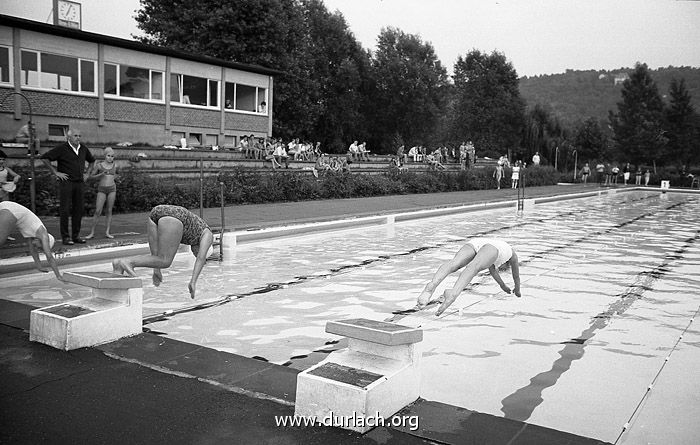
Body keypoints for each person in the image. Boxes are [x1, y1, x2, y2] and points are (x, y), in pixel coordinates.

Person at [112, 205, 214, 299]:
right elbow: (201, 259)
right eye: (196, 252)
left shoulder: (195, 234)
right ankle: (128, 262)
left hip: (157, 212)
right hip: (174, 217)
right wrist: (193, 281)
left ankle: (117, 267)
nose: (195, 253)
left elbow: (155, 256)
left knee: (158, 257)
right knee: (165, 261)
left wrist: (157, 270)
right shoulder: (208, 234)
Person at [416, 238, 521, 316]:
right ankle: (452, 294)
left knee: (454, 263)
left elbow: (493, 271)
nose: (501, 269)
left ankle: (430, 287)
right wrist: (517, 289)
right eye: (503, 268)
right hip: (492, 248)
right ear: (507, 264)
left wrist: (503, 286)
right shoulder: (512, 256)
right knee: (473, 267)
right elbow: (516, 276)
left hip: (476, 242)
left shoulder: (496, 257)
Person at [40, 128, 95, 245]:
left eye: (80, 135)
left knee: (78, 209)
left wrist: (88, 173)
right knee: (65, 209)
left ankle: (76, 236)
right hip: (67, 182)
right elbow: (45, 158)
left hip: (79, 182)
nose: (78, 138)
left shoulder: (83, 148)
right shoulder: (62, 148)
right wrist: (55, 172)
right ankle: (65, 237)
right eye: (75, 135)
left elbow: (91, 161)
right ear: (68, 137)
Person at [0, 201, 63, 280]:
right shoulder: (43, 234)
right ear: (43, 243)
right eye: (40, 248)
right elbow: (49, 257)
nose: (37, 248)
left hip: (8, 207)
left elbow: (33, 251)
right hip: (12, 211)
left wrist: (39, 266)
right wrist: (58, 275)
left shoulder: (32, 235)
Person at [85, 147, 118, 239]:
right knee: (98, 211)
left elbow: (117, 173)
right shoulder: (99, 166)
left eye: (112, 156)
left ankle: (107, 232)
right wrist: (101, 175)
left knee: (109, 210)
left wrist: (113, 178)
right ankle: (92, 232)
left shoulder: (115, 165)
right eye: (108, 156)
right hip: (102, 189)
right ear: (105, 156)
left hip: (112, 189)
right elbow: (91, 176)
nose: (110, 158)